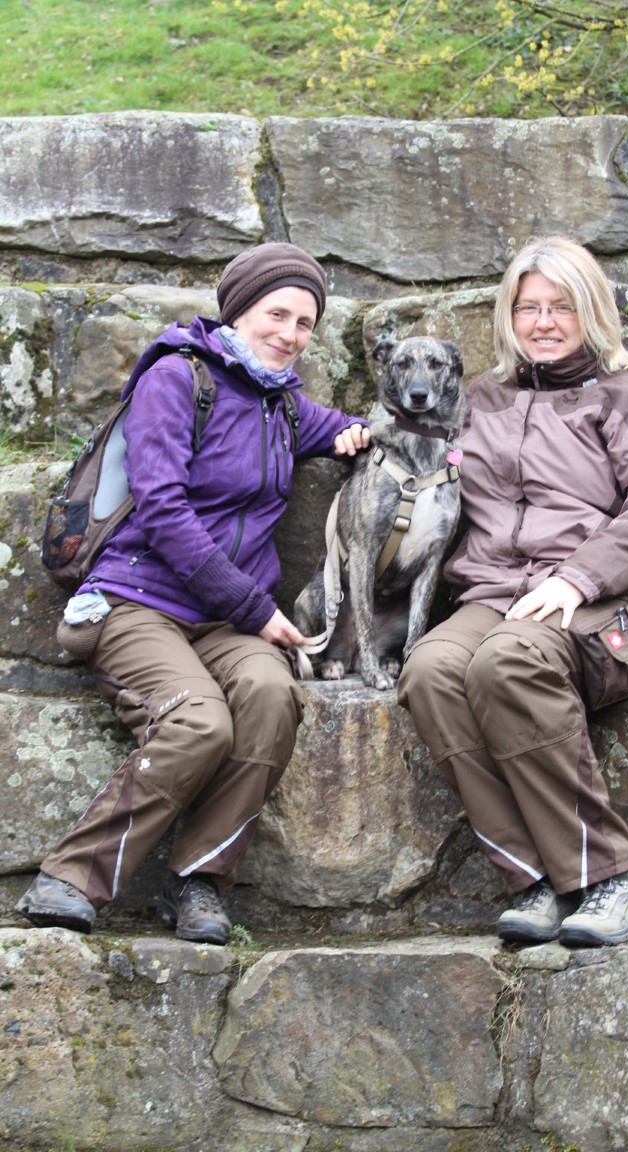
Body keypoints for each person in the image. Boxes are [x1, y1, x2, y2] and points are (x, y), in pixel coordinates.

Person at [17, 242, 370, 945]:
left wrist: (373, 436)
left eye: (305, 323)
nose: (290, 334)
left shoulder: (282, 405)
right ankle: (71, 877)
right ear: (239, 310)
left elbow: (343, 428)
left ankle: (199, 880)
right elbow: (162, 509)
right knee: (201, 723)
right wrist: (254, 607)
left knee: (271, 698)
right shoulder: (178, 378)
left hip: (224, 622)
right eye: (277, 314)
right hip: (139, 600)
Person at [397, 235, 628, 948]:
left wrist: (577, 577)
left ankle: (608, 878)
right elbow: (415, 445)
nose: (544, 322)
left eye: (561, 306)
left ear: (591, 310)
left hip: (611, 604)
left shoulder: (626, 397)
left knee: (508, 661)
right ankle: (530, 877)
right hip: (498, 594)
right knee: (431, 670)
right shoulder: (484, 398)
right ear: (509, 316)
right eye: (528, 307)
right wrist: (347, 436)